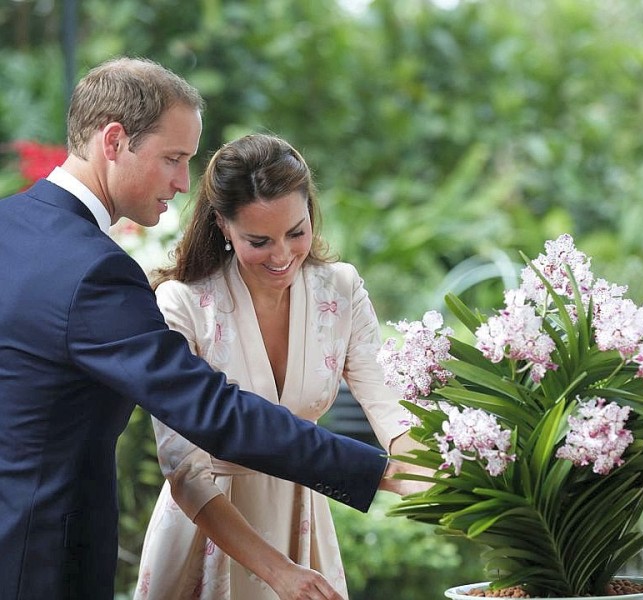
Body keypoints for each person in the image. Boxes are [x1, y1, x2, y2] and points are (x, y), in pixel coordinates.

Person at [0, 57, 419, 600]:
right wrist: (377, 472)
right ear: (114, 140)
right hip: (40, 562)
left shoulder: (10, 227)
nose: (182, 181)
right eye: (173, 158)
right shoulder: (95, 271)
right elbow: (213, 413)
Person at [133, 133, 417, 600]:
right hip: (210, 529)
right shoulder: (182, 303)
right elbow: (183, 468)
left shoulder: (340, 291)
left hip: (302, 525)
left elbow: (394, 415)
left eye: (296, 232)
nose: (282, 256)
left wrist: (453, 492)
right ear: (223, 225)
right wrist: (279, 572)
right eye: (259, 240)